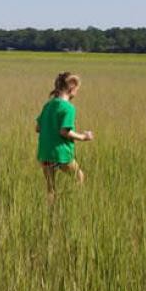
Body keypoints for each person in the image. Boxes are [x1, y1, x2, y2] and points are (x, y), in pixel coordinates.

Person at [35, 72, 93, 204]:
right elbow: (64, 132)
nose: (76, 93)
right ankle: (71, 202)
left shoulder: (48, 105)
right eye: (77, 90)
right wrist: (84, 137)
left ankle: (51, 212)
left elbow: (38, 128)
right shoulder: (69, 108)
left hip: (45, 153)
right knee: (79, 178)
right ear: (71, 88)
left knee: (50, 189)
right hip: (61, 154)